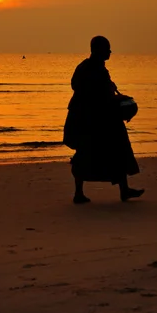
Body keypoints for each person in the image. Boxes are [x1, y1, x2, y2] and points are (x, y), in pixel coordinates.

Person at [63, 36, 144, 204]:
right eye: (107, 49)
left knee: (101, 153)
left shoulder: (88, 67)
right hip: (91, 121)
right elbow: (96, 95)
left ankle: (122, 190)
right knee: (104, 152)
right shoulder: (93, 69)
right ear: (98, 50)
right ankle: (81, 193)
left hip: (91, 119)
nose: (110, 52)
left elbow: (90, 90)